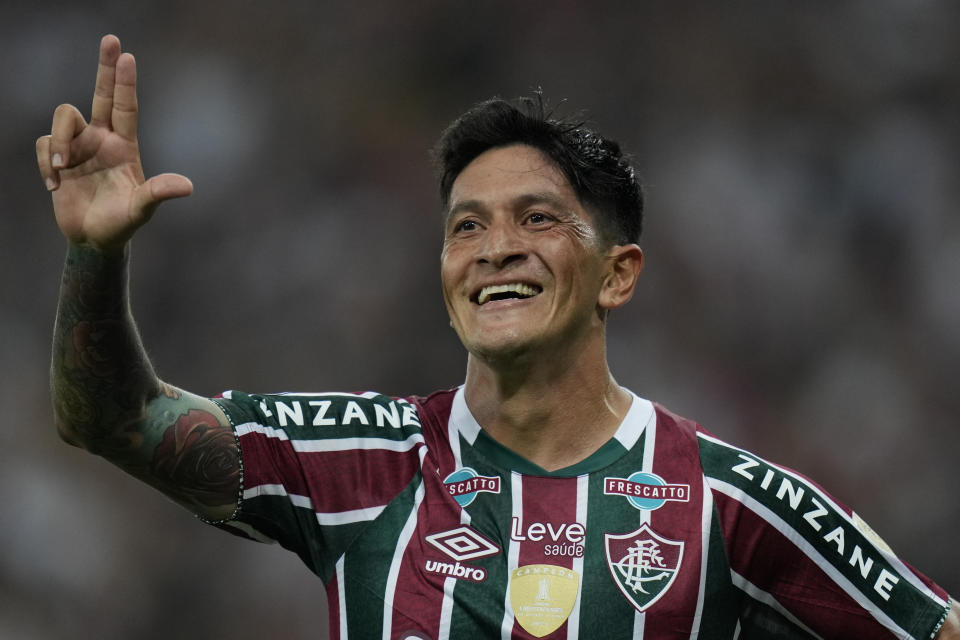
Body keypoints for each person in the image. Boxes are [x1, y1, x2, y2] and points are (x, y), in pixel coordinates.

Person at [37, 34, 958, 640]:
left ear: (619, 273)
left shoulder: (729, 503)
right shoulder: (366, 461)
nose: (494, 249)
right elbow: (114, 419)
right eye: (466, 227)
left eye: (537, 220)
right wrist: (92, 255)